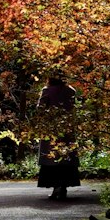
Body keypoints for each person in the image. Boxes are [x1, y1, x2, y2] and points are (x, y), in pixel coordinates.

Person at [36, 72, 80, 201]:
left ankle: (56, 187)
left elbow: (40, 109)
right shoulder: (70, 90)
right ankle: (64, 187)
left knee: (52, 157)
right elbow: (74, 108)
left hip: (51, 129)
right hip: (67, 129)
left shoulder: (47, 90)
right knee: (66, 157)